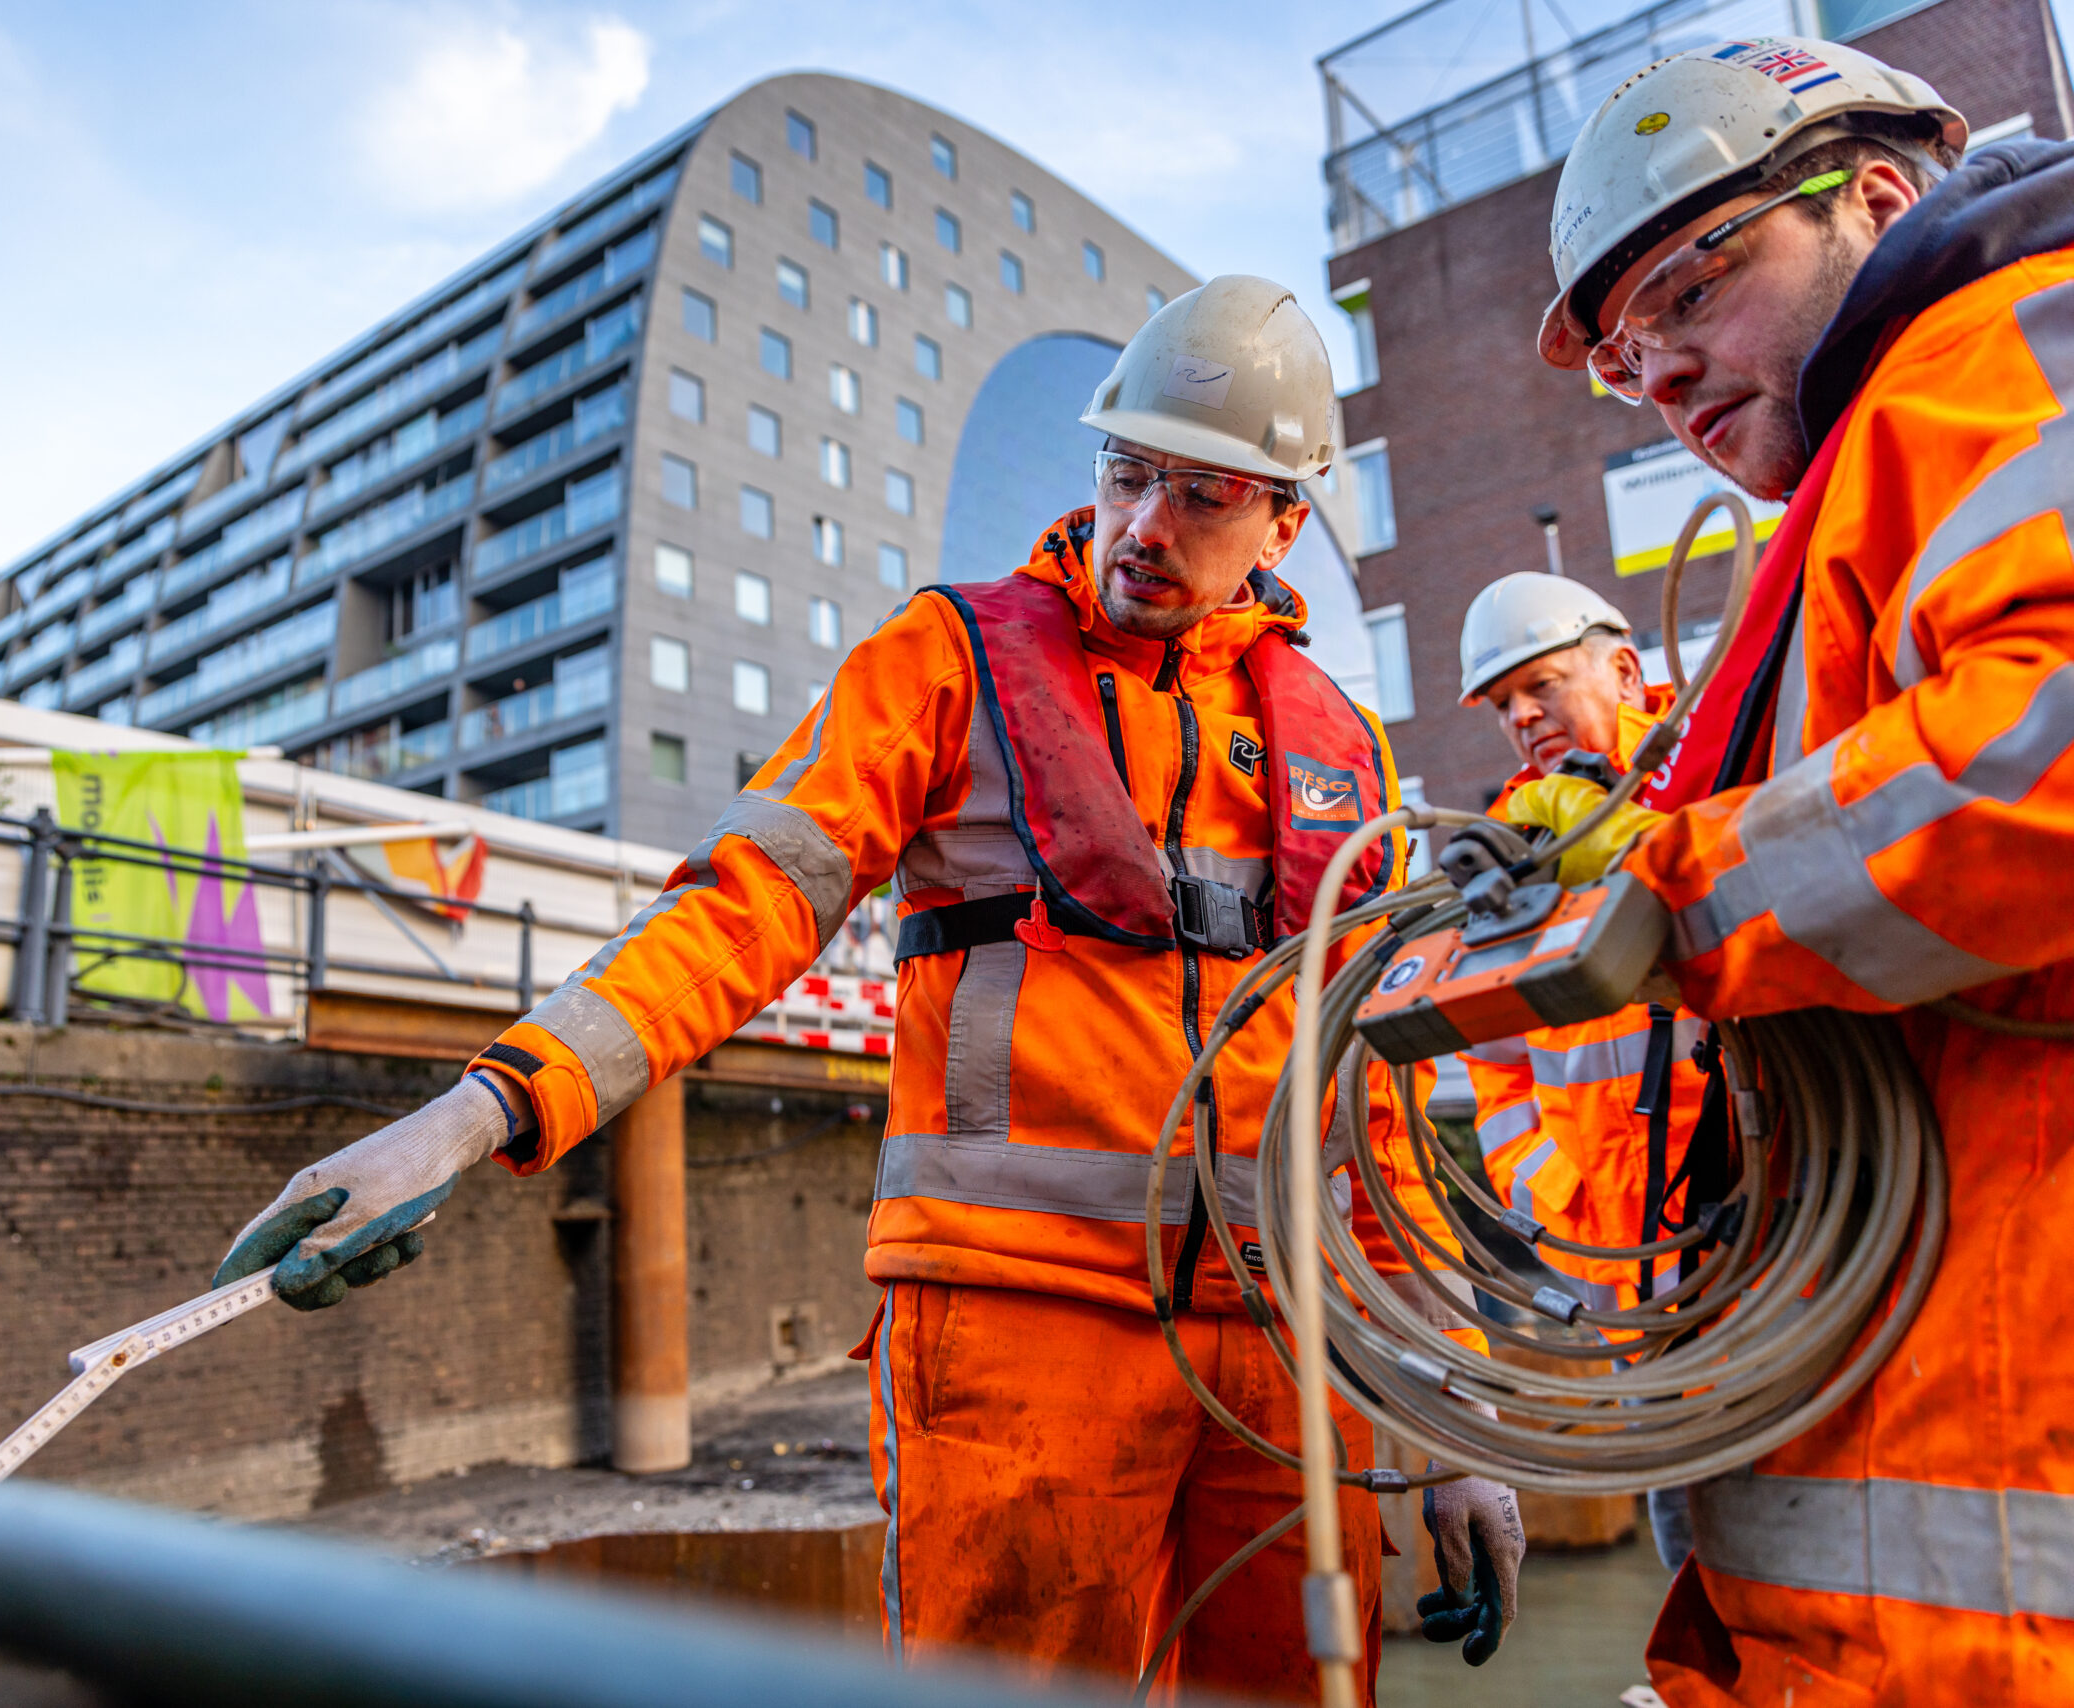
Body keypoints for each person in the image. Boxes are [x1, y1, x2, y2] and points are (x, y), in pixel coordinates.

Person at [215, 278, 1524, 1699]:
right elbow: (745, 907)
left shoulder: (1342, 743)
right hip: (1026, 1332)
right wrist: (469, 1120)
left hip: (1292, 1349)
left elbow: (1371, 1100)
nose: (1148, 525)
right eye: (1129, 471)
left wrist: (1443, 1413)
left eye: (1205, 495)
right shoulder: (950, 662)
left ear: (1284, 523)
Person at [1523, 33, 2074, 1704]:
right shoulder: (1851, 498)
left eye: (1690, 295)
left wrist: (1670, 895)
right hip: (1879, 1526)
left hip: (1996, 1550)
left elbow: (2047, 743)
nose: (1664, 378)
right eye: (1626, 359)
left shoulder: (1998, 358)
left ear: (1881, 197)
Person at [1453, 572, 1713, 1571]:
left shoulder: (1716, 777)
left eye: (1543, 685)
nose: (1522, 716)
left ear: (1623, 668)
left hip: (1764, 1240)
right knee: (1692, 1551)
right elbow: (1495, 1070)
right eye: (1503, 703)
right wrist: (1572, 1220)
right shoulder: (1508, 860)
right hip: (1625, 1284)